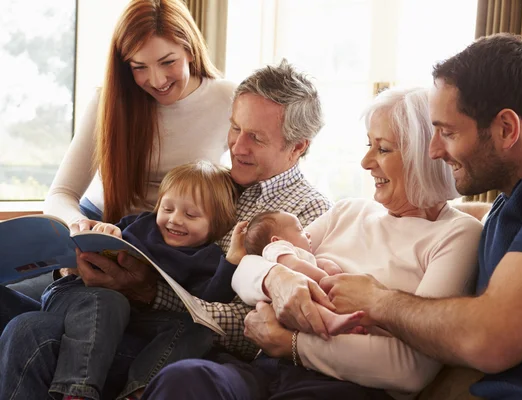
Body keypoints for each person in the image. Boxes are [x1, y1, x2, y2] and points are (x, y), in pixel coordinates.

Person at [0, 60, 332, 399]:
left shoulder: (308, 214)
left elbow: (258, 326)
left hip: (178, 344)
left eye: (256, 138)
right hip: (119, 315)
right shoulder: (212, 180)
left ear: (298, 146)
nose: (237, 147)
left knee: (33, 335)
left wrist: (147, 292)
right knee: (27, 327)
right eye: (235, 128)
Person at [140, 87, 484, 400]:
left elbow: (410, 369)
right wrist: (276, 278)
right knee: (184, 380)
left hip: (344, 388)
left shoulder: (457, 235)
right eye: (369, 146)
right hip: (267, 371)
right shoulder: (349, 211)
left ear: (427, 155)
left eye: (382, 149)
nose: (365, 162)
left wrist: (292, 344)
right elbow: (246, 267)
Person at [320, 34, 522, 399]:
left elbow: (491, 338)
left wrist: (377, 301)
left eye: (448, 133)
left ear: (506, 129)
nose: (434, 151)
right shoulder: (509, 206)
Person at [8, 0, 236, 300]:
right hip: (99, 228)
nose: (156, 80)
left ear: (190, 50)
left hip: (166, 243)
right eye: (139, 67)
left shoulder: (227, 98)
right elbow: (61, 194)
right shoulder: (108, 101)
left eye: (168, 62)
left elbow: (244, 185)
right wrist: (79, 226)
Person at [39, 161, 244, 400]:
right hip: (88, 297)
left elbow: (208, 301)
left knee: (198, 331)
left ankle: (138, 391)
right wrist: (104, 233)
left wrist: (231, 262)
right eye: (167, 209)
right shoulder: (140, 224)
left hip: (141, 317)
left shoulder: (208, 258)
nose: (174, 220)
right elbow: (100, 244)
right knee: (106, 302)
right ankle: (77, 393)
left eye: (190, 215)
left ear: (216, 224)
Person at [243, 210, 363, 335]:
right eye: (300, 229)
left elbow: (310, 264)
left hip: (299, 311)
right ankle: (332, 321)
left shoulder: (298, 254)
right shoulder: (275, 249)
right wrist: (325, 278)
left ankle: (343, 328)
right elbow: (294, 265)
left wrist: (328, 265)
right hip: (291, 304)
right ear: (276, 240)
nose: (308, 234)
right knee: (309, 301)